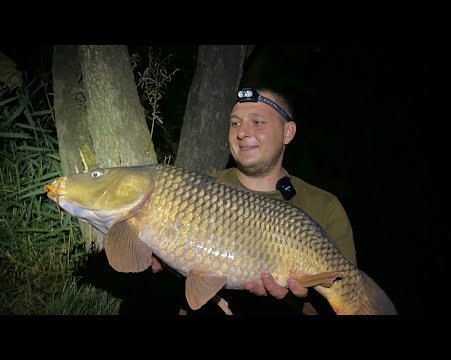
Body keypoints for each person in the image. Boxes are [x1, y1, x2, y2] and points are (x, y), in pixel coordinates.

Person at [150, 86, 357, 316]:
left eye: (257, 122)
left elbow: (344, 300)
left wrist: (293, 300)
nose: (241, 133)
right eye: (235, 123)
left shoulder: (324, 207)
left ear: (288, 133)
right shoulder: (196, 192)